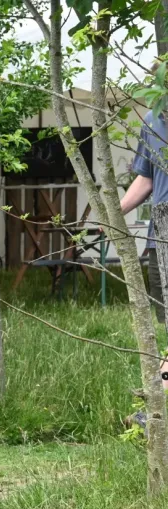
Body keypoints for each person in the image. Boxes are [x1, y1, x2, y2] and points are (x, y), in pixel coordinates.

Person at [121, 108, 168, 391]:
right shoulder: (151, 120)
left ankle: (160, 393)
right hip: (160, 236)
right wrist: (116, 211)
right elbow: (147, 177)